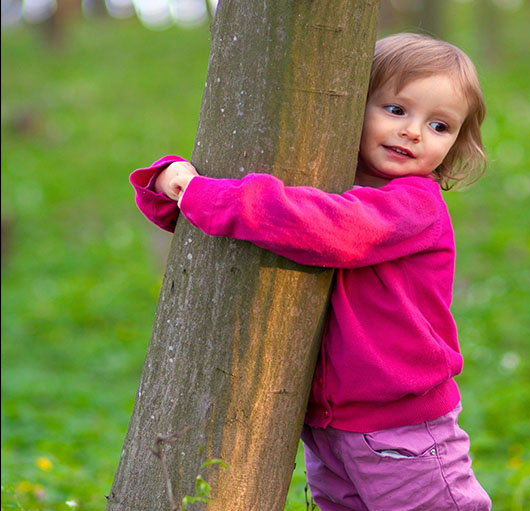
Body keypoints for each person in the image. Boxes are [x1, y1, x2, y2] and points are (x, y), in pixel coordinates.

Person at [130, 33, 492, 510]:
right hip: (327, 427)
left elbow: (326, 229)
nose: (414, 132)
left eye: (440, 125)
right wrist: (170, 182)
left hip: (402, 428)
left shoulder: (414, 205)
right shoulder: (327, 184)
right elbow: (227, 223)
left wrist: (207, 194)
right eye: (396, 110)